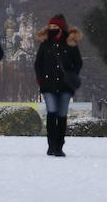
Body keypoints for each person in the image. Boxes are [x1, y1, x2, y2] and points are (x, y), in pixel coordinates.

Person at [35, 15, 83, 157]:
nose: (53, 30)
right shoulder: (45, 44)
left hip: (65, 85)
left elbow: (78, 62)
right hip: (48, 85)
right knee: (52, 112)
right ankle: (51, 144)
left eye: (56, 28)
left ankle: (59, 145)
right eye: (51, 28)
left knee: (62, 115)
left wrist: (72, 74)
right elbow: (38, 64)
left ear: (61, 28)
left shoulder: (70, 44)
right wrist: (40, 80)